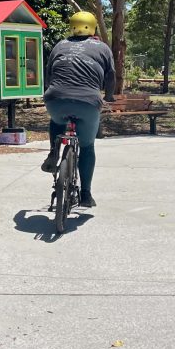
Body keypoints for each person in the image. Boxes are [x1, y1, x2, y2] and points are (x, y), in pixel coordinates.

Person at [40, 11, 115, 207]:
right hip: (88, 102)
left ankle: (53, 151)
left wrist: (53, 92)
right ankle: (86, 195)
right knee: (87, 146)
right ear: (93, 28)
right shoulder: (103, 48)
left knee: (57, 121)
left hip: (55, 99)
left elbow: (48, 76)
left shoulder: (60, 45)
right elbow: (111, 77)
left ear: (72, 26)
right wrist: (109, 96)